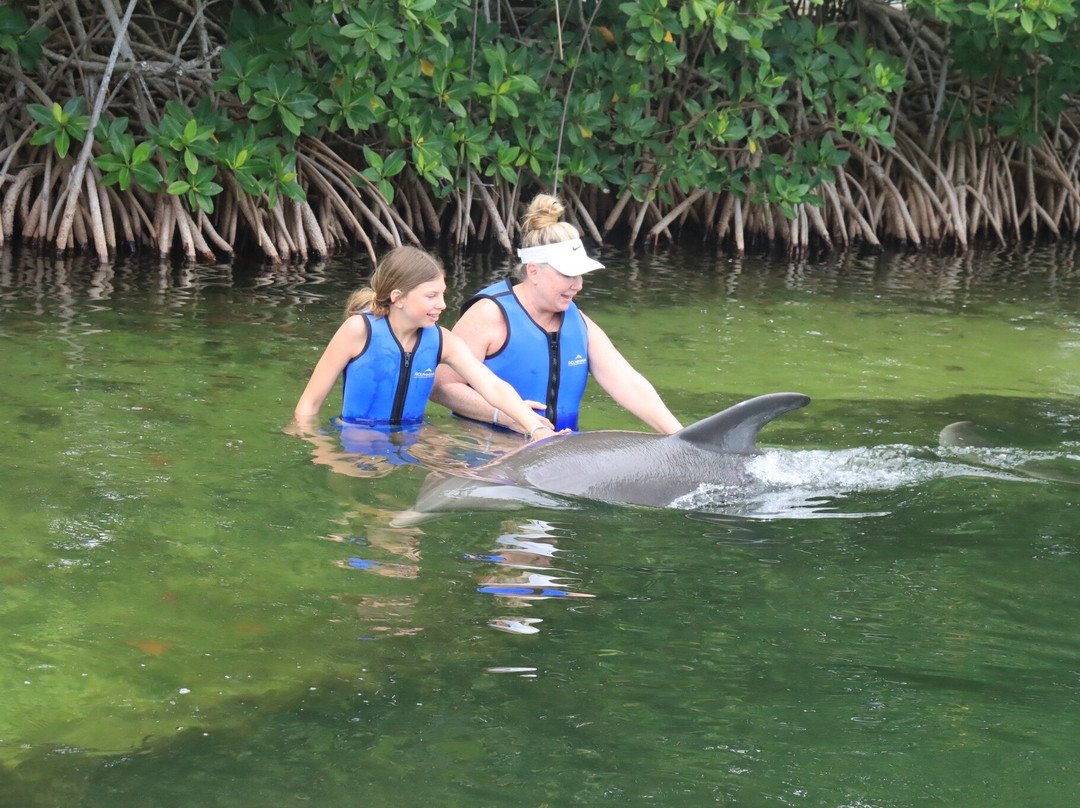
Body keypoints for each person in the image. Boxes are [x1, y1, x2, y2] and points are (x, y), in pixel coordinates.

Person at [430, 194, 682, 434]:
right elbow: (442, 386)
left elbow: (629, 384)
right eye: (567, 275)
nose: (578, 285)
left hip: (559, 447)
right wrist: (509, 415)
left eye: (580, 274)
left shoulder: (578, 322)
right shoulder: (489, 315)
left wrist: (680, 435)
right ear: (534, 271)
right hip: (488, 445)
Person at [292, 245, 558, 442]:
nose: (442, 304)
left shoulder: (441, 340)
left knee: (465, 470)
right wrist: (322, 453)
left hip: (413, 438)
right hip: (357, 438)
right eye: (431, 296)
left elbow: (492, 385)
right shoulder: (357, 331)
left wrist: (535, 428)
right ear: (398, 297)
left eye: (442, 294)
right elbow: (309, 405)